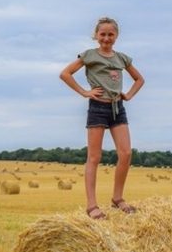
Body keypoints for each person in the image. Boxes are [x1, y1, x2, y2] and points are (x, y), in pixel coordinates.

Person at [59, 16, 144, 220]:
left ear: (116, 36)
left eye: (110, 34)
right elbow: (65, 73)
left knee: (126, 153)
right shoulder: (89, 55)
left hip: (118, 108)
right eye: (103, 34)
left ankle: (117, 198)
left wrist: (129, 95)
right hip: (98, 107)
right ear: (96, 35)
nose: (106, 38)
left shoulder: (122, 58)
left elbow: (140, 79)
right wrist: (84, 92)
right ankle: (92, 206)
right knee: (94, 157)